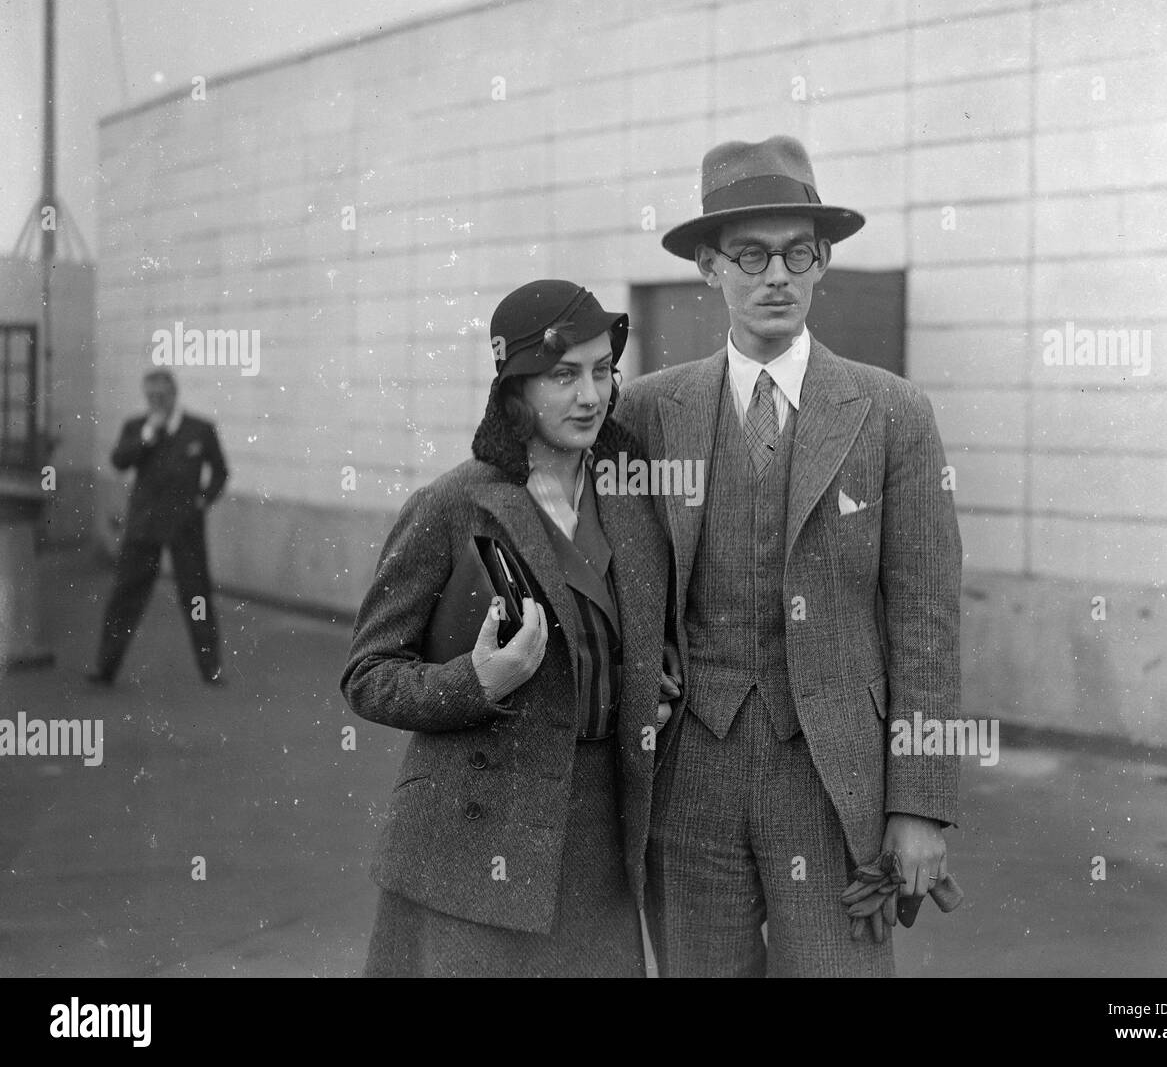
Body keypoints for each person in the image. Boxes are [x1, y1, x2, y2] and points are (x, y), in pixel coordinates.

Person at [616, 135, 964, 976]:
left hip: (834, 776)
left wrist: (920, 805)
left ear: (822, 264)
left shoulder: (891, 413)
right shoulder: (647, 412)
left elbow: (926, 617)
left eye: (796, 254)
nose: (776, 275)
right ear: (709, 267)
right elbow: (613, 577)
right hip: (690, 777)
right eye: (750, 255)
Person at [341, 280, 675, 977]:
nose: (590, 396)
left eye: (601, 372)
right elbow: (368, 676)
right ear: (513, 389)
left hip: (599, 834)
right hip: (473, 840)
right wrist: (476, 681)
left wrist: (646, 678)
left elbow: (633, 635)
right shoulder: (452, 504)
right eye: (563, 376)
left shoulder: (632, 500)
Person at [87, 367, 228, 687]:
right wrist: (147, 435)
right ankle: (105, 668)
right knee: (125, 595)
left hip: (185, 527)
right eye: (151, 397)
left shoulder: (200, 429)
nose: (157, 402)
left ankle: (211, 669)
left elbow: (220, 472)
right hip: (144, 527)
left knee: (196, 598)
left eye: (162, 396)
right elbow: (119, 461)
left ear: (174, 393)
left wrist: (203, 500)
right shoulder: (137, 427)